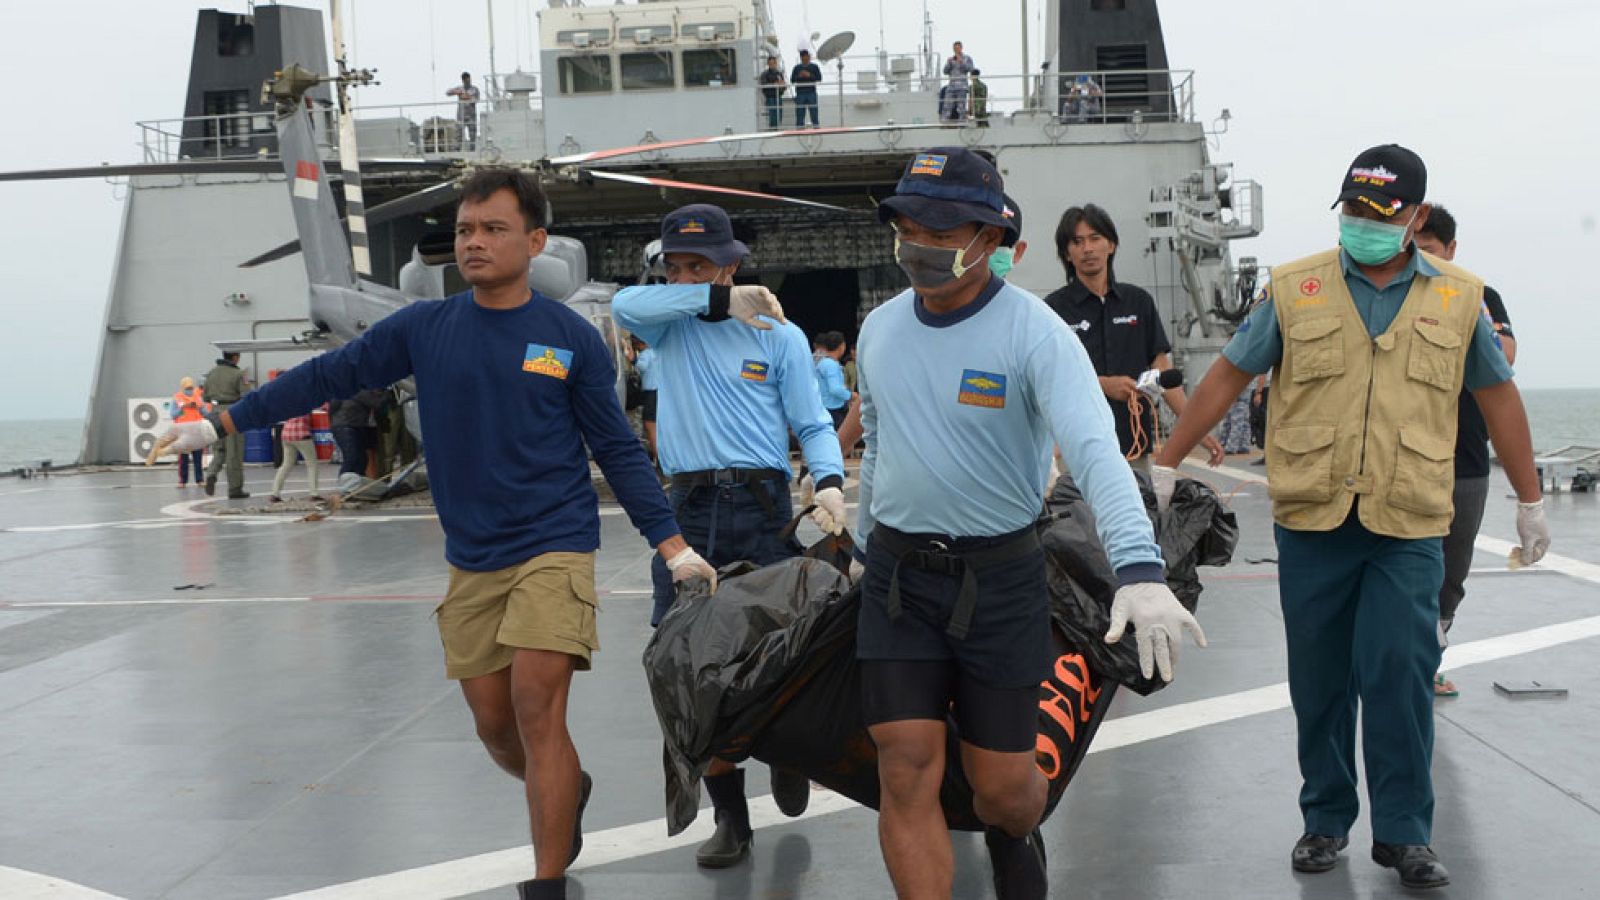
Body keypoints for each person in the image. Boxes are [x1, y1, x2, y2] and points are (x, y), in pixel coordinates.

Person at [156, 168, 715, 900]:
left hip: (555, 543)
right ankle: (566, 785)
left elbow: (615, 450)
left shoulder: (568, 338)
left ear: (535, 241)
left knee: (537, 707)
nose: (474, 242)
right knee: (495, 728)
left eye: (493, 229)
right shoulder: (426, 329)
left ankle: (546, 883)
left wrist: (671, 545)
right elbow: (328, 374)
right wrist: (218, 422)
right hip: (473, 557)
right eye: (465, 230)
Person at [1151, 145, 1550, 891]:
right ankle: (1325, 820)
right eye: (1354, 211)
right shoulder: (1296, 287)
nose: (1365, 224)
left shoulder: (1462, 298)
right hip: (1315, 519)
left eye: (1382, 213)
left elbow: (1500, 401)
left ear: (1417, 218)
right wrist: (1169, 458)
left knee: (1401, 673)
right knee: (1321, 678)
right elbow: (1231, 372)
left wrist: (1528, 499)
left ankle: (1405, 835)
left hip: (1408, 523)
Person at [857, 147, 1204, 900]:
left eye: (941, 228)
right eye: (909, 223)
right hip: (897, 579)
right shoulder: (878, 330)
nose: (919, 241)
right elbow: (879, 443)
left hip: (1001, 579)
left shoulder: (1036, 334)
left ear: (990, 240)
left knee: (1003, 791)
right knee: (904, 764)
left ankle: (1016, 832)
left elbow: (1095, 454)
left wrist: (1140, 572)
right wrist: (858, 543)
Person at [611, 202, 847, 869]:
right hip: (690, 508)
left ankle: (787, 753)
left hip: (763, 499)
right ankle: (731, 819)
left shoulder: (780, 336)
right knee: (695, 664)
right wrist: (712, 298)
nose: (684, 276)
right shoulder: (668, 328)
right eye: (676, 267)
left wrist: (828, 478)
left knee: (786, 645)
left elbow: (812, 419)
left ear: (734, 261)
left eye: (702, 265)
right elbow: (626, 306)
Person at [1411, 205, 1516, 697]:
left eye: (1429, 250)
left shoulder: (1479, 296)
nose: (1420, 259)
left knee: (1452, 573)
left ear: (1451, 251)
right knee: (1405, 565)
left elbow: (1505, 357)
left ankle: (1432, 649)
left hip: (1466, 459)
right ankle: (1400, 658)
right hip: (1404, 456)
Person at [1043, 204, 1223, 472]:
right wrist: (1102, 384)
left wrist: (1194, 426)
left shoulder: (1138, 303)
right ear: (1067, 253)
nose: (1088, 248)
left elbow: (1163, 373)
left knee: (1138, 513)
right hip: (1076, 449)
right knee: (1077, 514)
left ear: (1111, 245)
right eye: (1077, 242)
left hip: (1133, 446)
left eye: (1095, 238)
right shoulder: (1053, 310)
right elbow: (1048, 377)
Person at [202, 351, 251, 498]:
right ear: (235, 357)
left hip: (215, 413)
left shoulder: (211, 373)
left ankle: (211, 474)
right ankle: (235, 489)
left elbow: (205, 397)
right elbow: (247, 396)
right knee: (234, 452)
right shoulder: (239, 373)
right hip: (232, 413)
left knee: (219, 450)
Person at [270, 405, 323, 502]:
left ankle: (275, 493)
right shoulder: (307, 400)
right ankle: (314, 493)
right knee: (312, 464)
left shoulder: (289, 400)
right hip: (301, 434)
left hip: (286, 434)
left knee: (286, 465)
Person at [168, 377, 209, 487]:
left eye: (191, 388)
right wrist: (182, 408)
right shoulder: (177, 398)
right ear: (183, 388)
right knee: (183, 459)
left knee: (197, 457)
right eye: (187, 388)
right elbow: (172, 414)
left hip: (196, 432)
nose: (190, 390)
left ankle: (199, 480)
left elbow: (204, 412)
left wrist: (206, 410)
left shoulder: (197, 398)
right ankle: (182, 481)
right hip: (183, 433)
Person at [813, 331, 853, 427]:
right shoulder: (830, 365)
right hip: (833, 409)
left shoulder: (821, 362)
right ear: (842, 346)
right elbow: (835, 389)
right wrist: (851, 395)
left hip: (822, 407)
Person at [631, 335, 660, 463]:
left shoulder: (645, 354)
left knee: (649, 425)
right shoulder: (656, 351)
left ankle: (657, 457)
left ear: (638, 344)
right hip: (659, 391)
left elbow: (640, 367)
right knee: (657, 425)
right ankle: (659, 455)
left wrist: (632, 359)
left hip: (650, 393)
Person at [446, 71, 481, 150]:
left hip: (471, 116)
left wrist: (467, 97)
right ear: (463, 80)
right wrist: (457, 92)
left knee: (472, 134)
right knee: (459, 134)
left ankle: (473, 150)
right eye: (466, 80)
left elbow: (477, 99)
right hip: (461, 115)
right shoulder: (460, 88)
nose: (468, 81)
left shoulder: (474, 89)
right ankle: (458, 150)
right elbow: (447, 92)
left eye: (469, 79)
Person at [942, 42, 975, 121]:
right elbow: (945, 71)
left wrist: (961, 62)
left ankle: (961, 123)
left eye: (957, 48)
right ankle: (945, 122)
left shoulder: (967, 58)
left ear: (961, 48)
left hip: (961, 87)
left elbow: (970, 69)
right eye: (955, 48)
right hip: (951, 86)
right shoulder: (951, 59)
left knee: (961, 107)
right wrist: (948, 64)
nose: (956, 50)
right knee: (947, 106)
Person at [790, 50, 822, 128]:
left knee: (814, 111)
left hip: (811, 92)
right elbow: (792, 80)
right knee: (800, 112)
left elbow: (819, 78)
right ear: (801, 58)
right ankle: (799, 128)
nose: (806, 59)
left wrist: (809, 75)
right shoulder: (797, 68)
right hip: (800, 93)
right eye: (804, 57)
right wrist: (800, 76)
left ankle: (816, 127)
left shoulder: (814, 67)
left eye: (807, 57)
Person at [758, 56, 786, 129]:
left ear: (776, 63)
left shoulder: (779, 74)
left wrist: (782, 85)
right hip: (770, 97)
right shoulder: (765, 74)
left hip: (778, 97)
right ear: (768, 64)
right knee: (772, 114)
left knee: (779, 113)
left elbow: (783, 86)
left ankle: (777, 127)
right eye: (770, 63)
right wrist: (774, 84)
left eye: (773, 63)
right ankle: (773, 128)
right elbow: (763, 85)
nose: (772, 65)